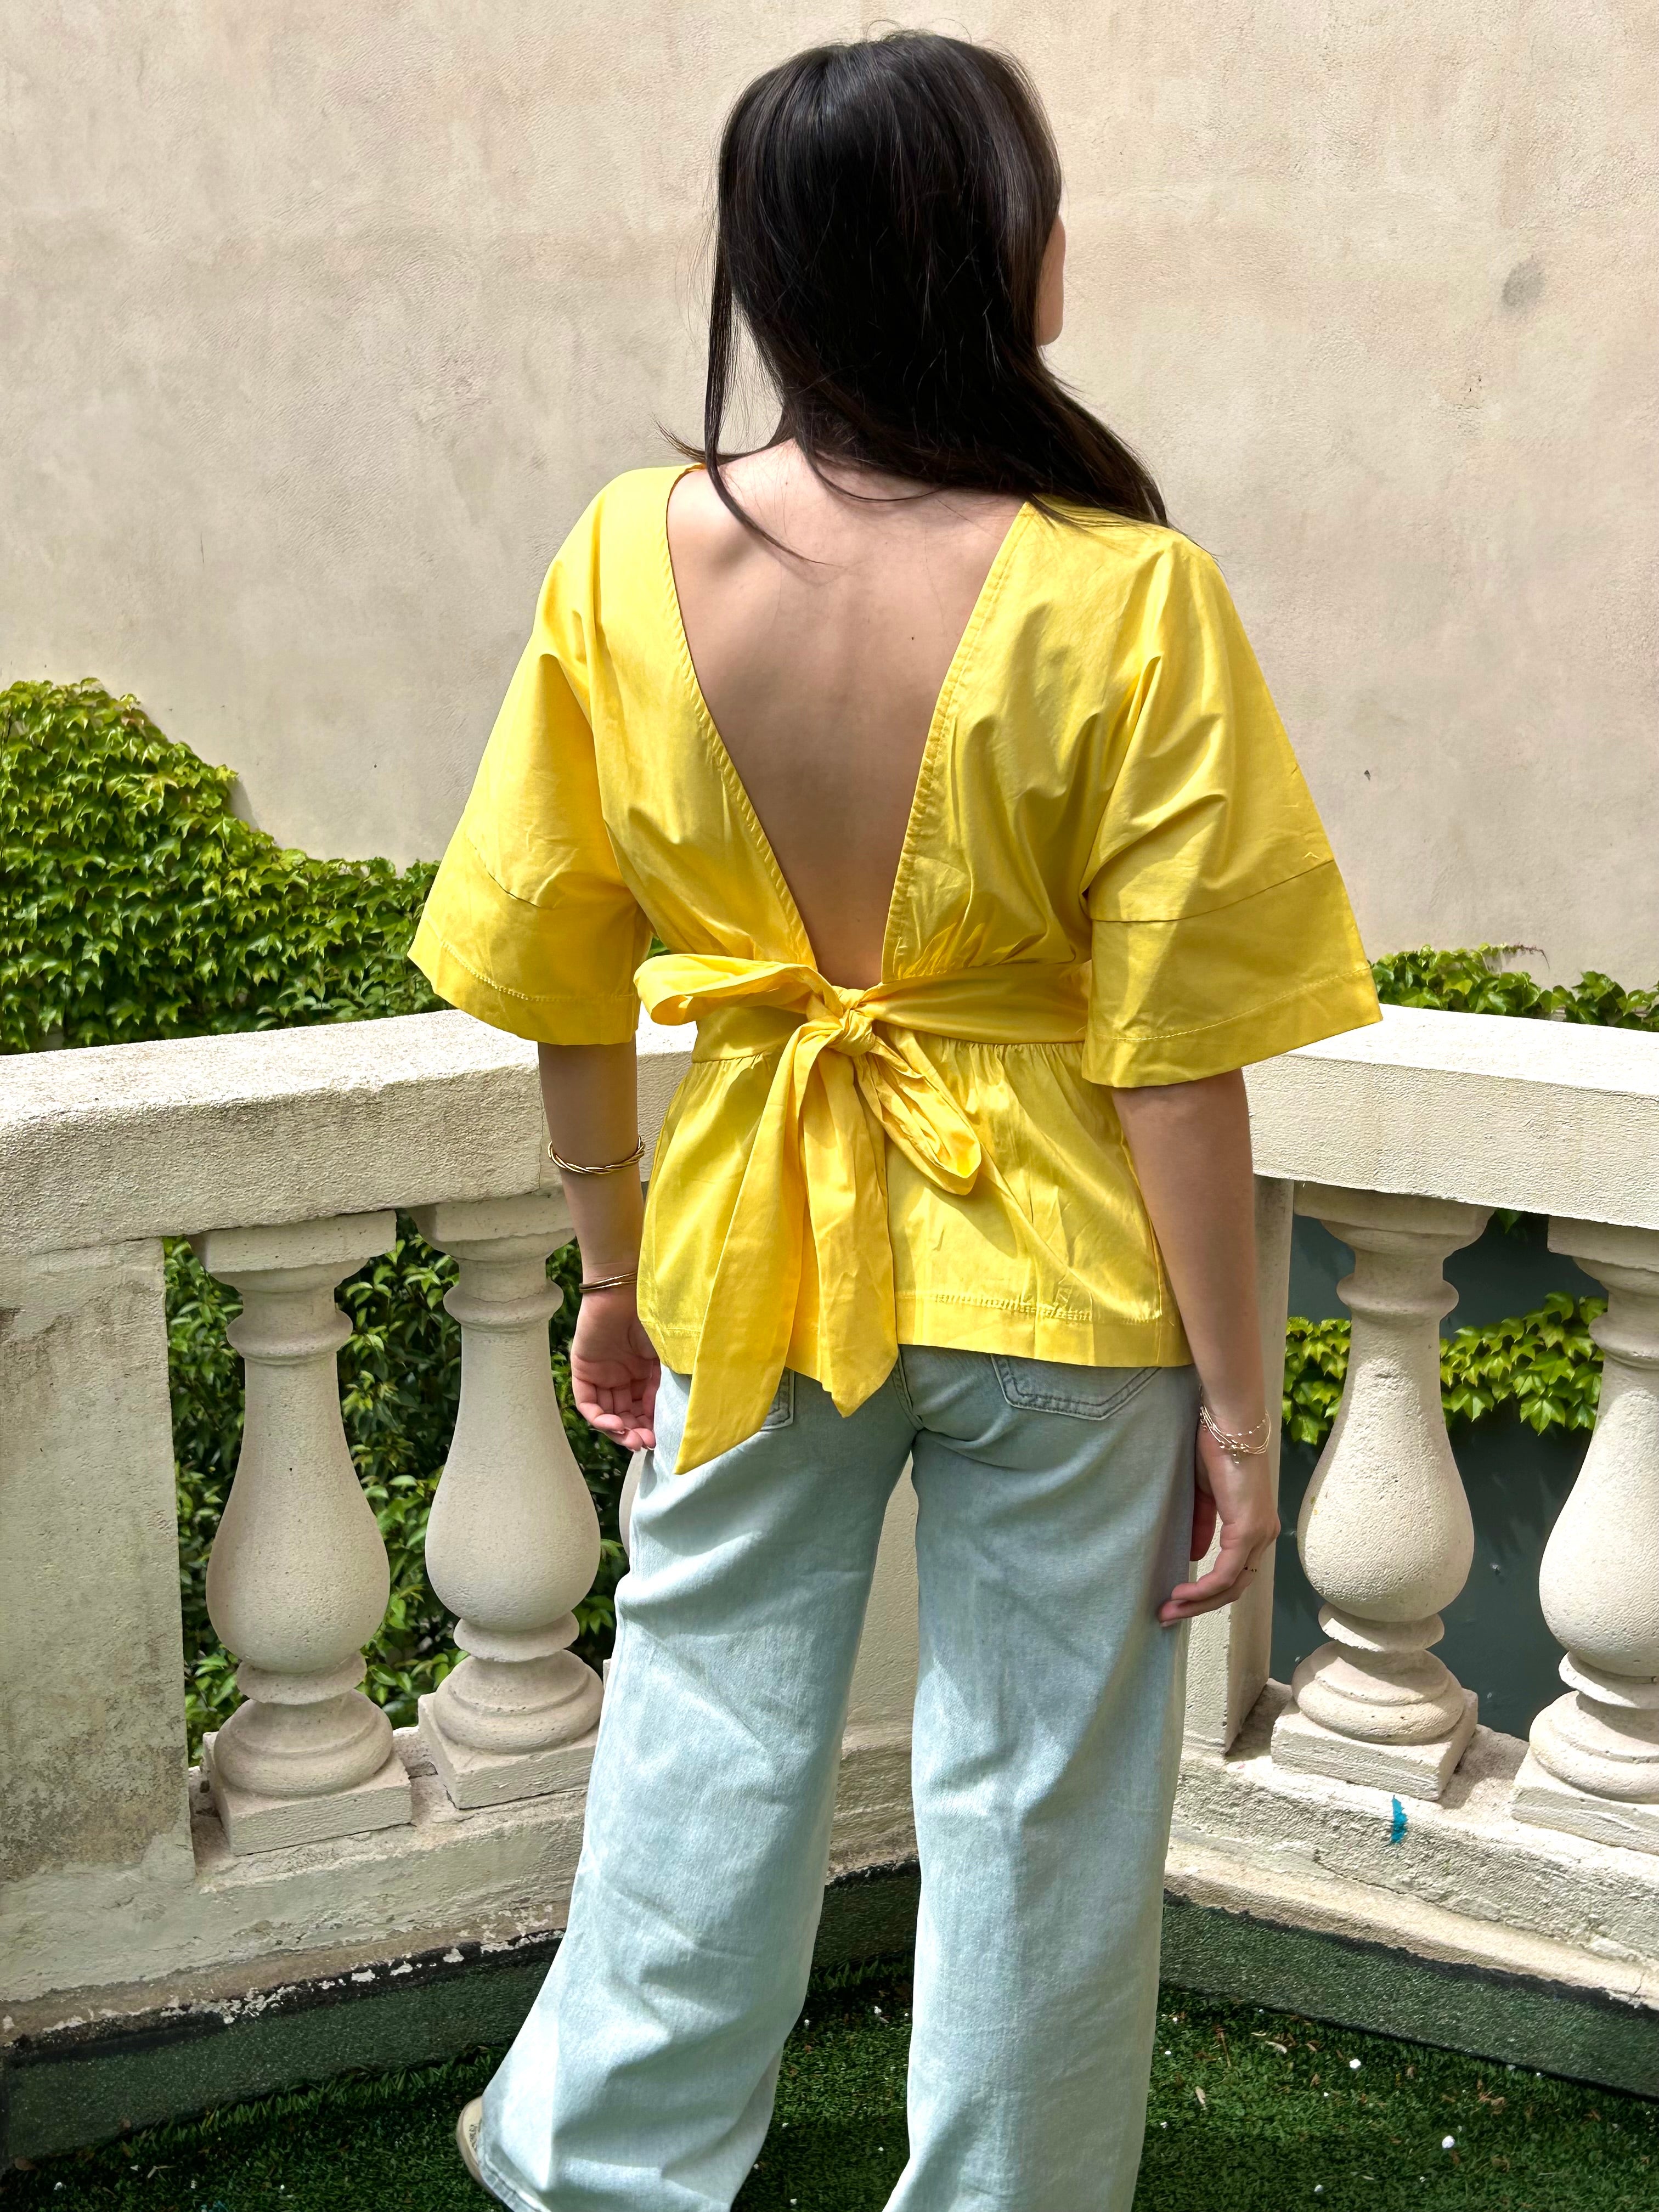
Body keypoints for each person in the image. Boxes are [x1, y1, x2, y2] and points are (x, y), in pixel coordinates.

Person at [410, 28, 1380, 2211]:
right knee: (1042, 1792)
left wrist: (608, 1264)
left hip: (747, 1237)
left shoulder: (624, 559)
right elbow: (1176, 1050)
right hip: (1059, 1264)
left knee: (702, 1724)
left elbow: (558, 968)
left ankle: (601, 2165)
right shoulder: (1126, 590)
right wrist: (1239, 1406)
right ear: (986, 250)